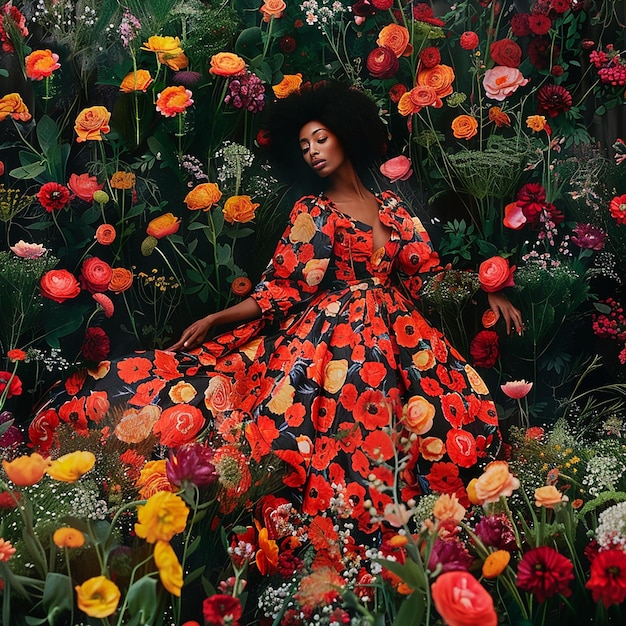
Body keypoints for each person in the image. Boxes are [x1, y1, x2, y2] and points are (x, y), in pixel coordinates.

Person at [34, 82, 522, 533]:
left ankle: (411, 510)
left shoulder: (395, 209)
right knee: (331, 406)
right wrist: (217, 318)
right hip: (333, 336)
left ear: (346, 136)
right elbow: (279, 290)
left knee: (430, 411)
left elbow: (425, 277)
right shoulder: (313, 212)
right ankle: (358, 510)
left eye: (320, 139)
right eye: (305, 145)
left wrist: (487, 290)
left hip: (402, 334)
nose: (311, 151)